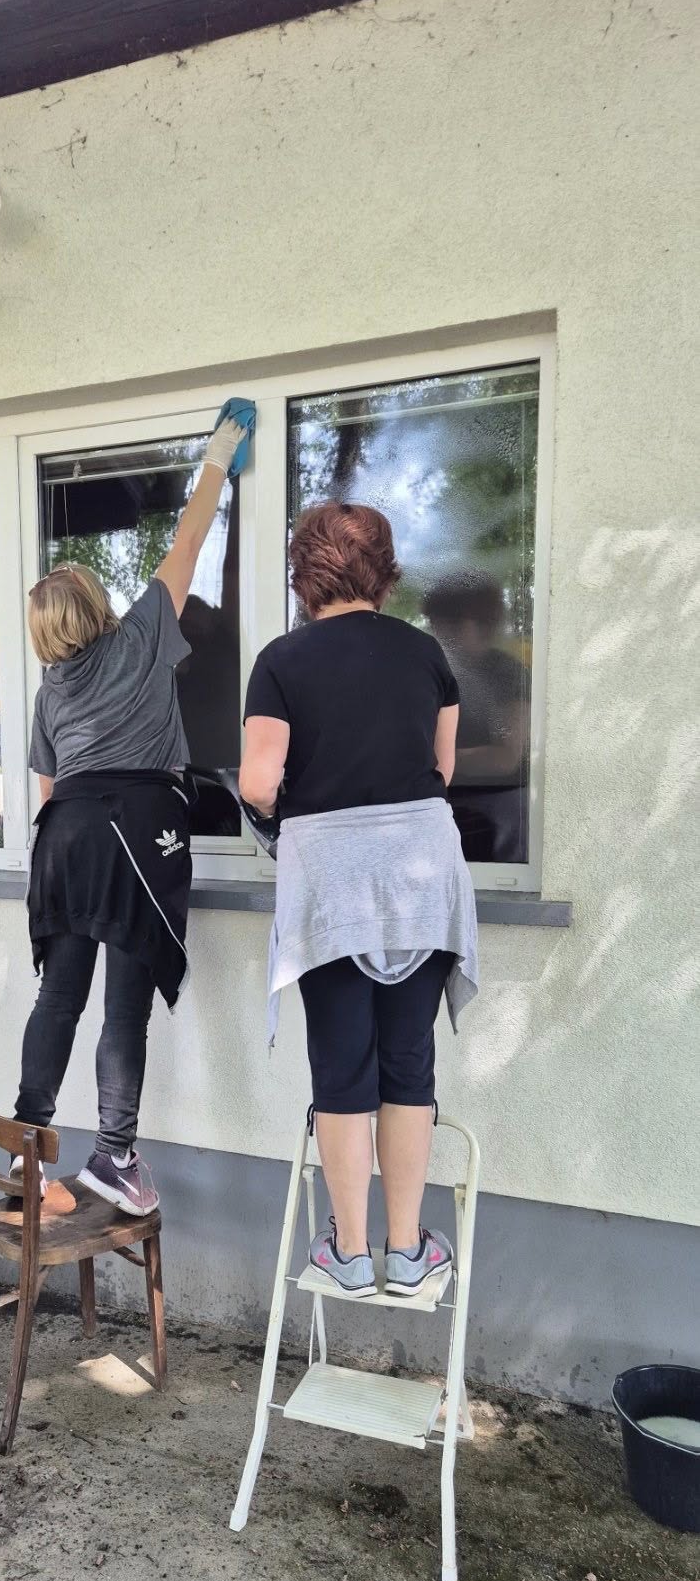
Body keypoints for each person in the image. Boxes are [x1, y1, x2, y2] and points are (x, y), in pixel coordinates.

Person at [12, 406, 254, 1218]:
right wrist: (218, 453)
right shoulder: (144, 633)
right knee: (122, 1005)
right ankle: (113, 1155)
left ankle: (26, 1152)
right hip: (134, 826)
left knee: (58, 999)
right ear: (96, 604)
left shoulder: (51, 690)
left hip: (64, 837)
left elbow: (47, 794)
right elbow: (186, 542)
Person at [239, 502, 478, 1297]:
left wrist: (291, 810)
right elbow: (441, 771)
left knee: (341, 1067)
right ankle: (408, 1254)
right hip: (420, 871)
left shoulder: (281, 660)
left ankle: (345, 1255)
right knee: (407, 1063)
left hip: (333, 877)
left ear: (304, 570)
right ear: (383, 568)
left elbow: (257, 784)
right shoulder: (425, 654)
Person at [422, 572, 530, 864]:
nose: (438, 633)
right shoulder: (428, 670)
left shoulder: (509, 673)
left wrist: (430, 762)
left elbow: (507, 758)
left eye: (445, 623)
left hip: (500, 807)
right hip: (438, 803)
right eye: (436, 623)